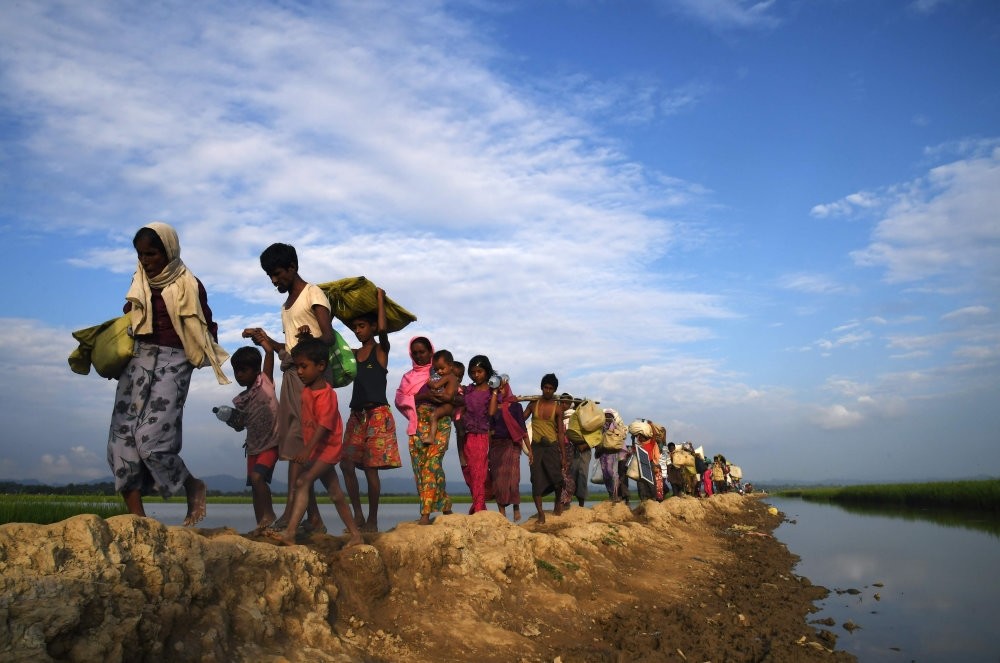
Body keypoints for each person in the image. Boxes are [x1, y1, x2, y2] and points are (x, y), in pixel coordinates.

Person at [107, 222, 229, 525]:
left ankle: (192, 485)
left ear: (169, 251)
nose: (145, 261)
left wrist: (201, 350)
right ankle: (140, 522)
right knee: (121, 441)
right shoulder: (139, 282)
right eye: (141, 255)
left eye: (152, 254)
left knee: (151, 439)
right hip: (138, 359)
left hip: (174, 361)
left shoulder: (189, 284)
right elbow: (129, 316)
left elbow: (205, 326)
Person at [248, 242, 332, 535]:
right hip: (292, 374)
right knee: (295, 444)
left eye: (277, 274)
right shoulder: (286, 305)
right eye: (270, 276)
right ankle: (315, 519)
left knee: (300, 442)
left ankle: (288, 514)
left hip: (310, 379)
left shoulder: (312, 294)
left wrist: (313, 339)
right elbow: (291, 348)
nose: (274, 280)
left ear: (292, 268)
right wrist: (266, 340)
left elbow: (329, 337)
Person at [267, 339, 362, 547]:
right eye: (298, 366)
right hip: (316, 449)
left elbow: (324, 426)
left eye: (304, 366)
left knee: (303, 481)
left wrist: (306, 450)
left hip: (327, 449)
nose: (299, 371)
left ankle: (290, 533)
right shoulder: (307, 392)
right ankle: (356, 535)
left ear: (320, 366)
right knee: (336, 493)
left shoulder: (326, 395)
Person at [340, 288, 402, 532]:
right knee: (346, 463)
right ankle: (357, 515)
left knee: (370, 468)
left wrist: (379, 298)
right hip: (357, 414)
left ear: (372, 328)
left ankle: (373, 520)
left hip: (377, 413)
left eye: (362, 326)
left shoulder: (380, 350)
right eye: (355, 327)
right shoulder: (353, 355)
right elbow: (332, 349)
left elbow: (384, 332)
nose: (357, 331)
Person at [395, 337, 453, 524]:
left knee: (432, 464)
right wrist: (424, 396)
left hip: (441, 421)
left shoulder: (441, 371)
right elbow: (400, 399)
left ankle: (425, 514)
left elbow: (458, 396)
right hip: (418, 424)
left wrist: (445, 399)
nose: (419, 356)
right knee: (421, 469)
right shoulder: (407, 378)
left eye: (423, 352)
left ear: (431, 352)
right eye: (416, 353)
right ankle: (446, 506)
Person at [228, 342, 279, 531]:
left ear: (256, 370)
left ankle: (269, 514)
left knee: (258, 478)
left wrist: (261, 340)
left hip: (273, 442)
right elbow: (240, 426)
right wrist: (233, 421)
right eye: (236, 371)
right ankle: (261, 525)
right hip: (253, 447)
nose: (239, 375)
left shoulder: (264, 380)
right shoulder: (241, 400)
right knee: (256, 486)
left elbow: (269, 353)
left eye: (243, 370)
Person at [523, 373, 566, 524]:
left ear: (554, 390)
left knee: (557, 479)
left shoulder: (558, 408)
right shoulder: (533, 404)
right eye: (545, 388)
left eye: (551, 388)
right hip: (536, 448)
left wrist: (563, 456)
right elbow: (521, 419)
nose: (547, 391)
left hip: (552, 447)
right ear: (541, 388)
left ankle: (557, 502)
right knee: (536, 480)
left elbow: (561, 433)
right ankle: (540, 513)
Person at [488, 380, 529, 521]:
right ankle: (502, 512)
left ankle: (516, 507)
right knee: (498, 480)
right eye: (497, 390)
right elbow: (490, 430)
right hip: (496, 446)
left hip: (512, 445)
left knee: (513, 478)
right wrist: (488, 452)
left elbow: (522, 429)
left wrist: (530, 450)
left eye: (502, 389)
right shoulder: (493, 407)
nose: (500, 391)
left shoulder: (516, 407)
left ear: (507, 388)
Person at [461, 355, 496, 515]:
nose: (476, 375)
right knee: (470, 471)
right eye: (473, 372)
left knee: (479, 471)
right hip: (467, 435)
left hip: (482, 435)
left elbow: (491, 412)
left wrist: (495, 392)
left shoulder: (491, 392)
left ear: (487, 372)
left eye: (480, 371)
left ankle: (479, 506)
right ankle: (477, 504)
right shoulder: (468, 390)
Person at [423, 352, 460, 445]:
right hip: (450, 404)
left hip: (448, 405)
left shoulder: (448, 376)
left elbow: (436, 385)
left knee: (433, 416)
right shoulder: (454, 378)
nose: (439, 372)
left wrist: (428, 382)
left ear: (450, 366)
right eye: (436, 370)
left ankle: (431, 437)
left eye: (442, 368)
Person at [595, 409, 629, 503]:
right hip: (603, 453)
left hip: (613, 454)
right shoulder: (600, 427)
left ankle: (615, 495)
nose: (608, 417)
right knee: (606, 474)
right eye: (606, 415)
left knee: (612, 473)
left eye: (610, 415)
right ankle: (611, 494)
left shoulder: (616, 426)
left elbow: (622, 436)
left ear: (613, 417)